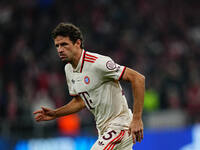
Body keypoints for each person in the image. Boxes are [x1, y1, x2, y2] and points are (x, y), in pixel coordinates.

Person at [33, 23, 145, 150]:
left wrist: (137, 119)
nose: (60, 50)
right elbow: (80, 102)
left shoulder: (97, 63)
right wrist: (55, 114)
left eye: (64, 44)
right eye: (57, 46)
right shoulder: (69, 70)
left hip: (120, 125)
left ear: (77, 43)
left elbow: (138, 78)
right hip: (104, 130)